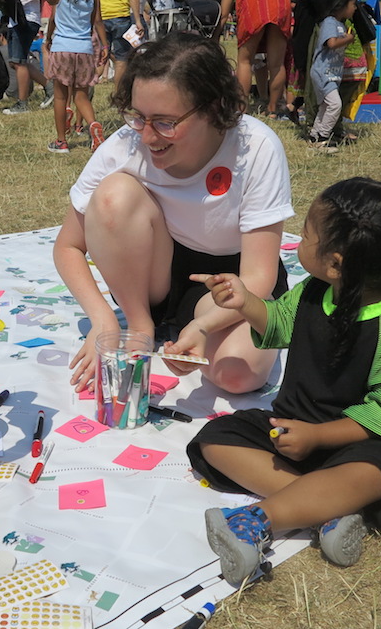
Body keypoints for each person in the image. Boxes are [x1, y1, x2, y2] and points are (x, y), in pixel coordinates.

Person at [186, 177, 381, 583]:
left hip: (360, 444)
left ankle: (255, 520)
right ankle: (326, 509)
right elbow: (280, 324)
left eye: (308, 233)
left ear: (335, 263)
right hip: (293, 429)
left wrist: (320, 438)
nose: (300, 239)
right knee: (215, 439)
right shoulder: (314, 291)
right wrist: (244, 300)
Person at [53, 32, 293, 395]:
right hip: (153, 276)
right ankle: (142, 325)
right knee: (113, 195)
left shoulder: (256, 149)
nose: (148, 137)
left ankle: (187, 327)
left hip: (228, 284)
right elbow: (68, 247)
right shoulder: (124, 146)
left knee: (238, 375)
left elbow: (258, 276)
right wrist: (105, 321)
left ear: (213, 109)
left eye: (165, 122)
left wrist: (203, 327)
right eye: (138, 116)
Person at [44, 0, 108, 154]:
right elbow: (97, 22)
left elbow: (49, 2)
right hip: (84, 48)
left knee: (61, 96)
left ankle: (61, 141)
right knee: (81, 95)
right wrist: (105, 45)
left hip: (62, 47)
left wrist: (48, 38)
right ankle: (93, 126)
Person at [220, 0, 292, 118]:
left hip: (254, 7)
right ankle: (273, 109)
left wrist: (216, 34)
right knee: (276, 63)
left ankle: (241, 109)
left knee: (245, 61)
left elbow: (224, 10)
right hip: (278, 5)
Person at [306, 0, 357, 150]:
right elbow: (332, 43)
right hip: (323, 73)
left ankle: (315, 135)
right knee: (335, 105)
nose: (355, 8)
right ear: (341, 5)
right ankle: (323, 137)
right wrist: (348, 39)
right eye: (353, 4)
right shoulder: (329, 22)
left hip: (331, 74)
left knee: (326, 106)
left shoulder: (339, 24)